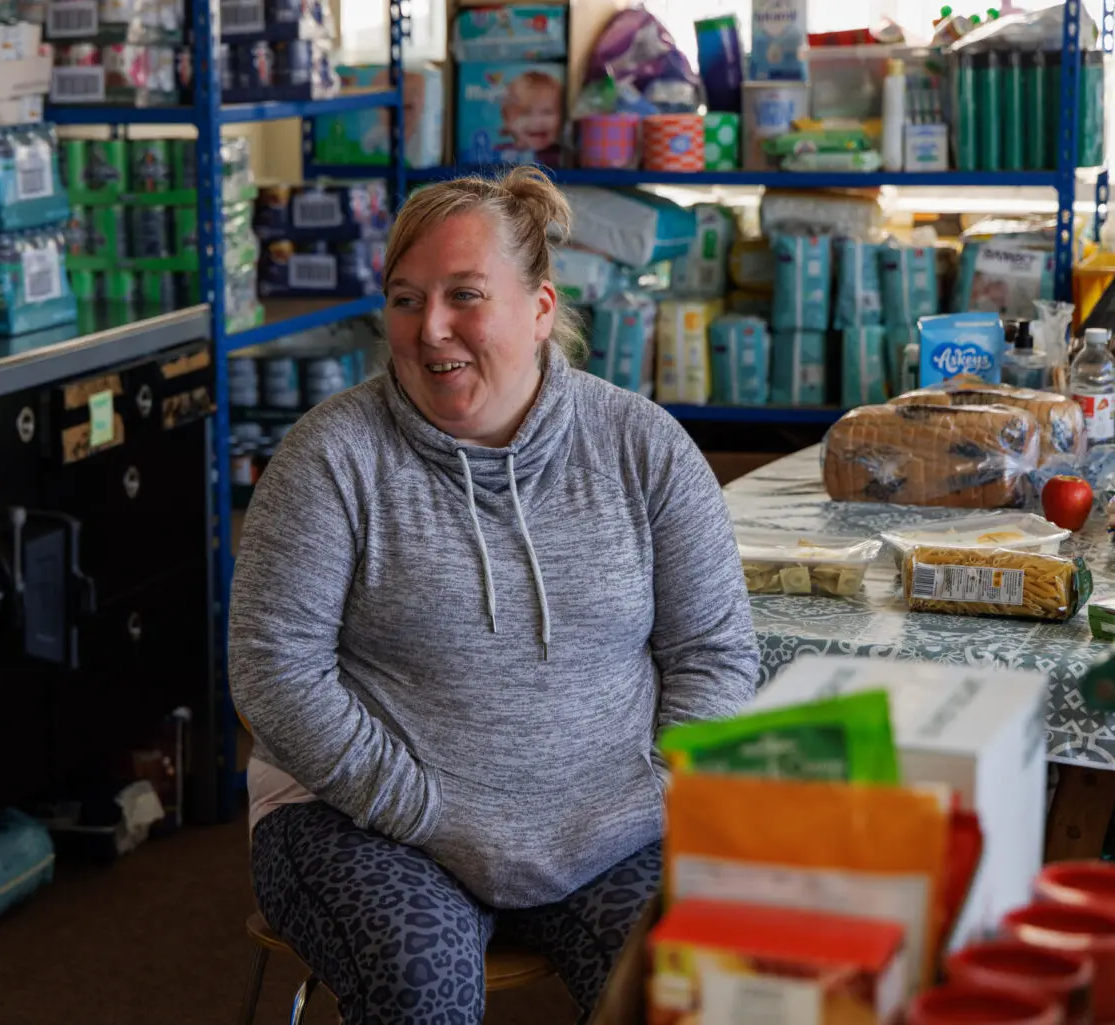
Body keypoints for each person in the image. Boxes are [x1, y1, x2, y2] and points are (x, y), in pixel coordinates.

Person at [230, 167, 757, 1024]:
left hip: (610, 825)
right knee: (421, 987)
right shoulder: (332, 457)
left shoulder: (643, 447)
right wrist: (426, 809)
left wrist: (650, 795)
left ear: (542, 307)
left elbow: (715, 654)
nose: (430, 327)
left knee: (701, 989)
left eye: (464, 295)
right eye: (405, 299)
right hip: (373, 822)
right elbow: (273, 670)